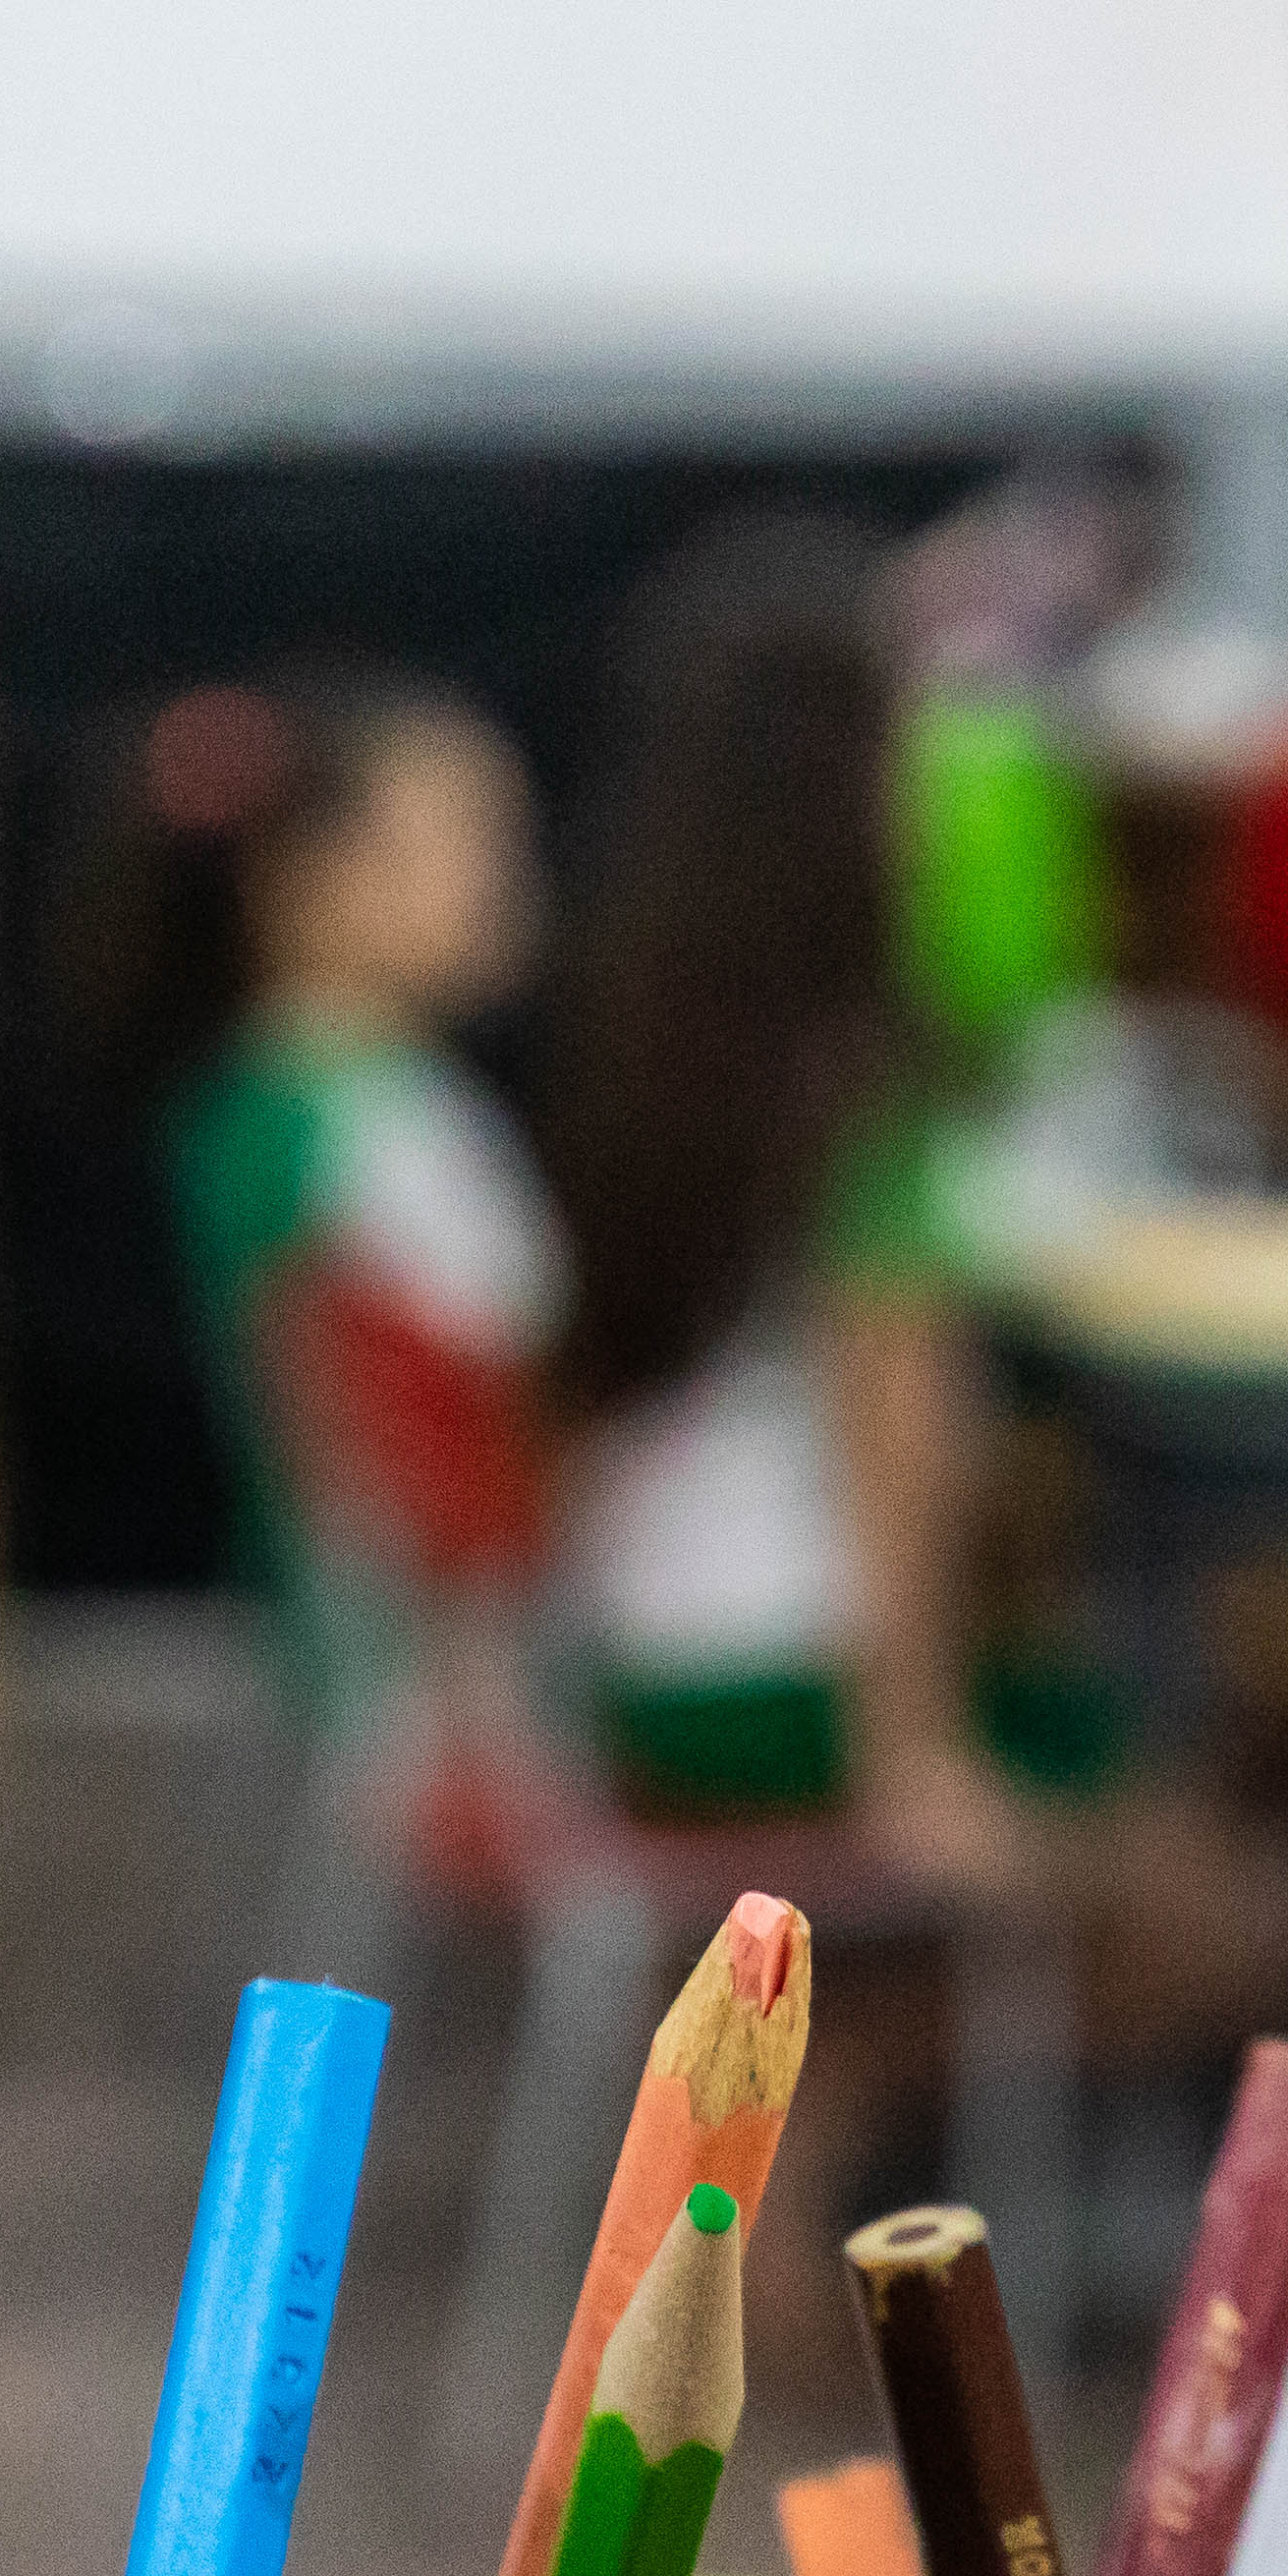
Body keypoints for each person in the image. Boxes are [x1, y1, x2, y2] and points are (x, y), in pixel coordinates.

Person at [527, 520, 1063, 1899]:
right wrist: (914, 1756)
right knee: (1199, 1847)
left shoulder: (625, 1047)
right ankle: (872, 2043)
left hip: (625, 1655)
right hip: (794, 1686)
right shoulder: (865, 1095)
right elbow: (896, 1429)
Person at [55, 665, 563, 1877]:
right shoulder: (313, 1115)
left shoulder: (358, 1094)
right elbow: (360, 1406)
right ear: (311, 878)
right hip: (422, 1654)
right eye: (462, 841)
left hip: (444, 1623)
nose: (501, 878)